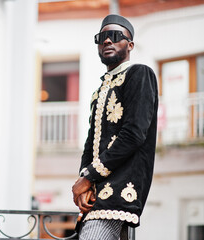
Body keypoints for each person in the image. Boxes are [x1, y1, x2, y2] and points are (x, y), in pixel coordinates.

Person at [72, 14, 158, 240]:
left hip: (121, 190)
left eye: (115, 36)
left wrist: (88, 177)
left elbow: (134, 135)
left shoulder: (139, 74)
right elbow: (90, 145)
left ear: (130, 45)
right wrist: (85, 183)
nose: (107, 41)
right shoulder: (100, 90)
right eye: (102, 37)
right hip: (97, 196)